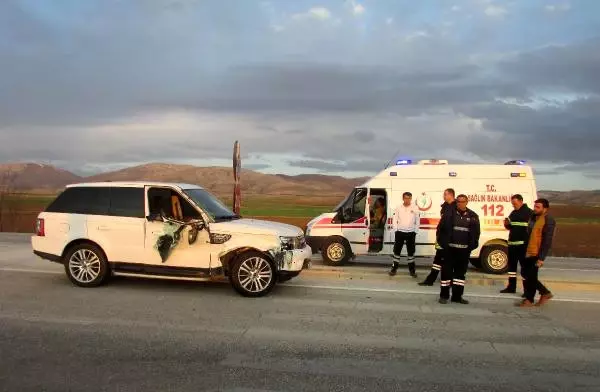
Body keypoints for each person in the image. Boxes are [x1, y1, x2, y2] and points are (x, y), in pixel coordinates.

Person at [437, 194, 480, 304]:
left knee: (460, 275)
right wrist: (443, 243)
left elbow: (476, 233)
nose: (461, 203)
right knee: (446, 273)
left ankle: (457, 296)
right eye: (459, 201)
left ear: (467, 202)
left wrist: (471, 246)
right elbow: (440, 229)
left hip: (463, 251)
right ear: (456, 202)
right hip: (449, 250)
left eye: (463, 201)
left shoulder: (473, 216)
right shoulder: (449, 214)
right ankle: (444, 296)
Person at [518, 198, 556, 307]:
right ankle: (544, 293)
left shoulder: (548, 220)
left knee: (531, 276)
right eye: (535, 206)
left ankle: (530, 299)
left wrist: (541, 258)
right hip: (528, 251)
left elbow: (547, 240)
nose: (535, 209)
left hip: (536, 252)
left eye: (538, 207)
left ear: (545, 209)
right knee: (526, 274)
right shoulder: (533, 218)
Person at [418, 188, 456, 286]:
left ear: (451, 195)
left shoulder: (454, 207)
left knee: (446, 261)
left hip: (448, 240)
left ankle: (448, 281)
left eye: (445, 194)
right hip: (441, 238)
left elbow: (450, 224)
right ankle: (431, 280)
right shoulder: (446, 206)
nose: (444, 196)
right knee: (438, 260)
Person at [500, 194, 533, 294]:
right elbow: (511, 227)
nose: (513, 205)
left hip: (523, 245)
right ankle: (511, 287)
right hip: (512, 244)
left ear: (521, 201)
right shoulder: (513, 212)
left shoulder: (529, 213)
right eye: (512, 204)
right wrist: (507, 224)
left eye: (515, 203)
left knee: (524, 269)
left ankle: (527, 291)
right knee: (511, 268)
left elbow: (531, 230)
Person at [389, 192, 420, 278]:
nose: (407, 200)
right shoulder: (398, 207)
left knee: (411, 253)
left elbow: (417, 220)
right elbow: (394, 219)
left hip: (411, 233)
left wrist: (415, 231)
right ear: (403, 198)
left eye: (409, 198)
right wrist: (396, 230)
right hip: (400, 233)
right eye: (406, 198)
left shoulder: (415, 208)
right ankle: (393, 269)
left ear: (411, 199)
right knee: (396, 252)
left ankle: (412, 271)